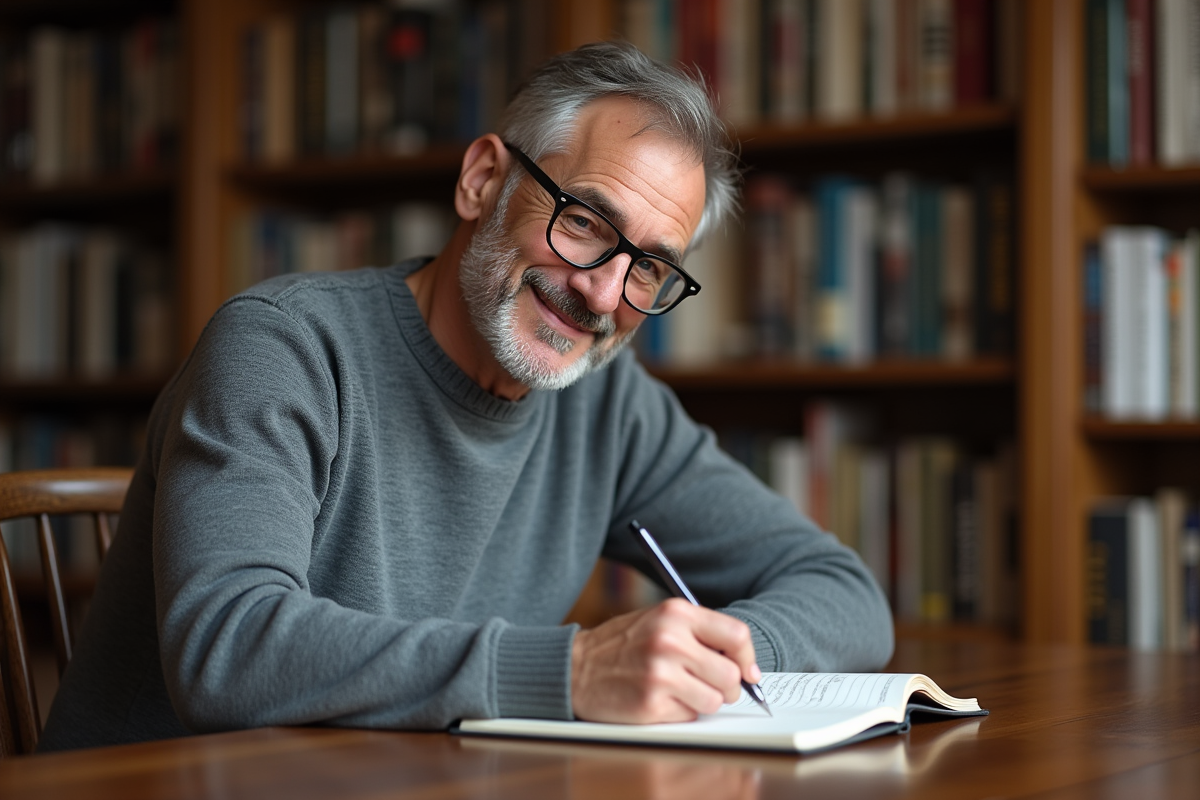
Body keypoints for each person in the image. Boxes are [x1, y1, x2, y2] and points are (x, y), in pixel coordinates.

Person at [38, 41, 892, 751]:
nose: (602, 294)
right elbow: (225, 649)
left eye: (649, 268)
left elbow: (842, 590)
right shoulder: (283, 347)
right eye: (584, 222)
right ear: (483, 179)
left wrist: (722, 659)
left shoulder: (610, 408)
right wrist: (569, 674)